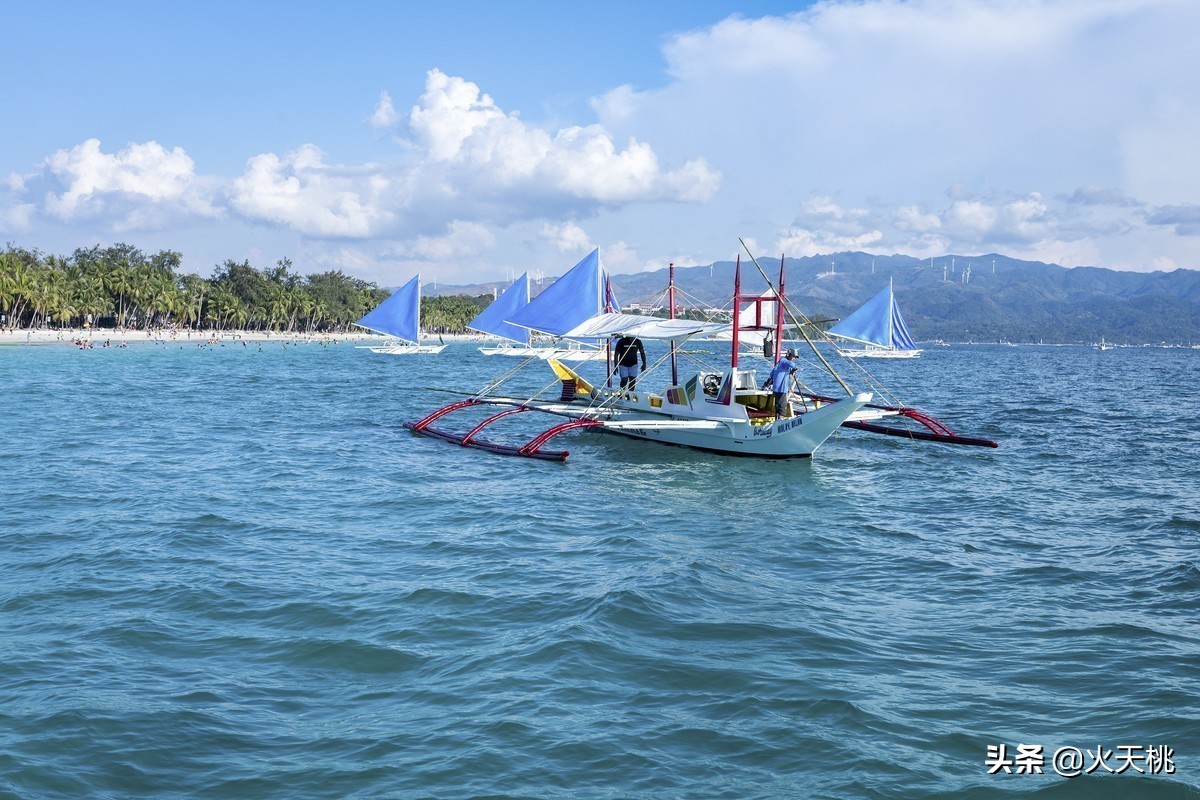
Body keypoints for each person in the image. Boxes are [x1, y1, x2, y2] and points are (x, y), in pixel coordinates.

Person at [767, 348, 800, 418]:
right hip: (781, 390)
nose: (794, 358)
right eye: (793, 356)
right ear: (788, 354)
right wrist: (794, 369)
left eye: (795, 357)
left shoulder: (779, 363)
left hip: (776, 389)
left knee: (778, 409)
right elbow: (793, 365)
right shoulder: (784, 361)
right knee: (782, 411)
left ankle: (777, 422)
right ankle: (779, 423)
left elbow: (772, 373)